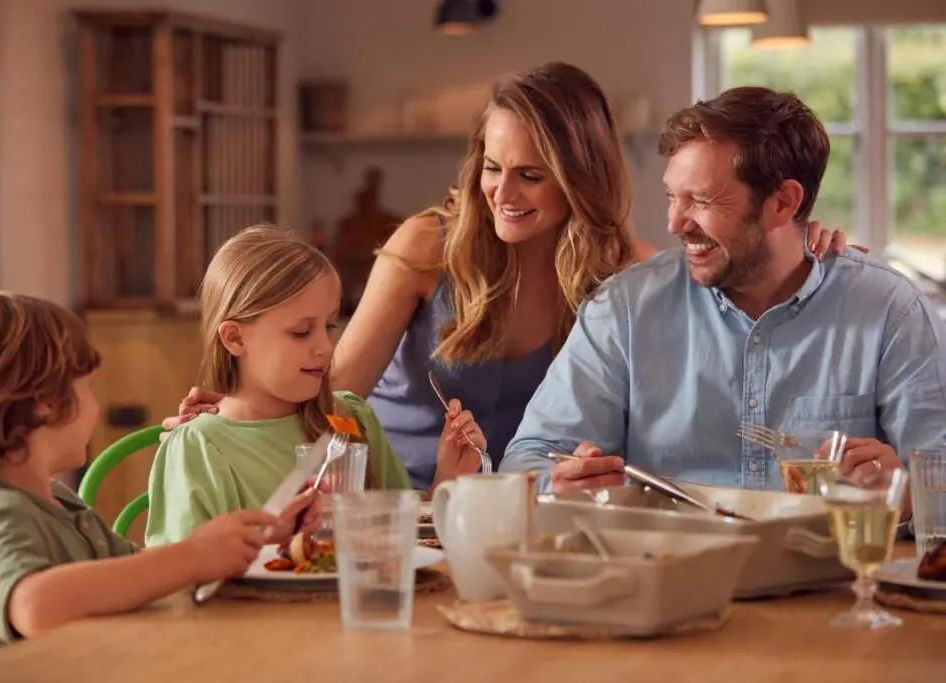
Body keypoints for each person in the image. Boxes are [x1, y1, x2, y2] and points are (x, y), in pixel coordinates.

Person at [163, 63, 855, 491]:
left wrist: (800, 241)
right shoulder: (425, 247)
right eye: (492, 168)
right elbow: (331, 392)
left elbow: (741, 300)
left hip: (536, 515)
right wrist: (234, 410)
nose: (502, 192)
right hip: (406, 506)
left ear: (579, 177)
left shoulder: (626, 273)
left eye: (530, 174)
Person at [498, 86, 946, 513]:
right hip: (670, 577)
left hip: (833, 585)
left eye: (701, 201)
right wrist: (557, 486)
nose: (675, 223)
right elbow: (529, 458)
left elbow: (938, 478)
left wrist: (905, 497)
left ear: (783, 203)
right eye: (673, 197)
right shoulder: (625, 310)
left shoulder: (891, 311)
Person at [0, 292, 323, 665]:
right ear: (44, 405)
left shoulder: (59, 501)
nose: (95, 405)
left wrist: (253, 538)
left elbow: (137, 575)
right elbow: (34, 607)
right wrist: (192, 557)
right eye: (89, 388)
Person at [144, 225, 485, 546]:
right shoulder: (197, 448)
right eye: (301, 332)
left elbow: (398, 540)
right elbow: (181, 580)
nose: (324, 346)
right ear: (234, 338)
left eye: (330, 325)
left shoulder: (352, 416)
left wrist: (447, 481)